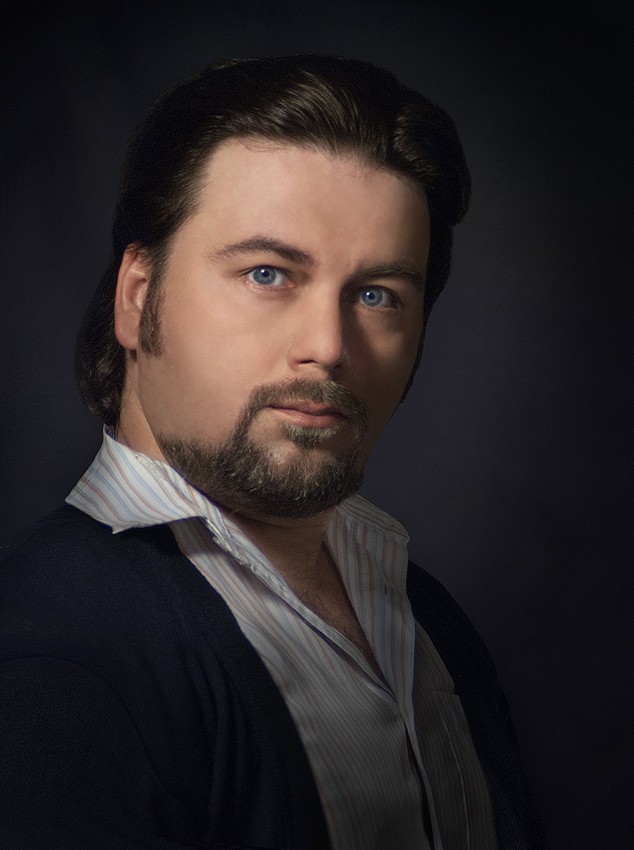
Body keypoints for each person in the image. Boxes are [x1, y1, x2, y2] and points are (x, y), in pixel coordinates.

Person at [0, 55, 547, 850]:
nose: (328, 346)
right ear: (137, 297)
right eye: (268, 273)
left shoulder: (427, 618)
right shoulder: (56, 653)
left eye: (377, 296)